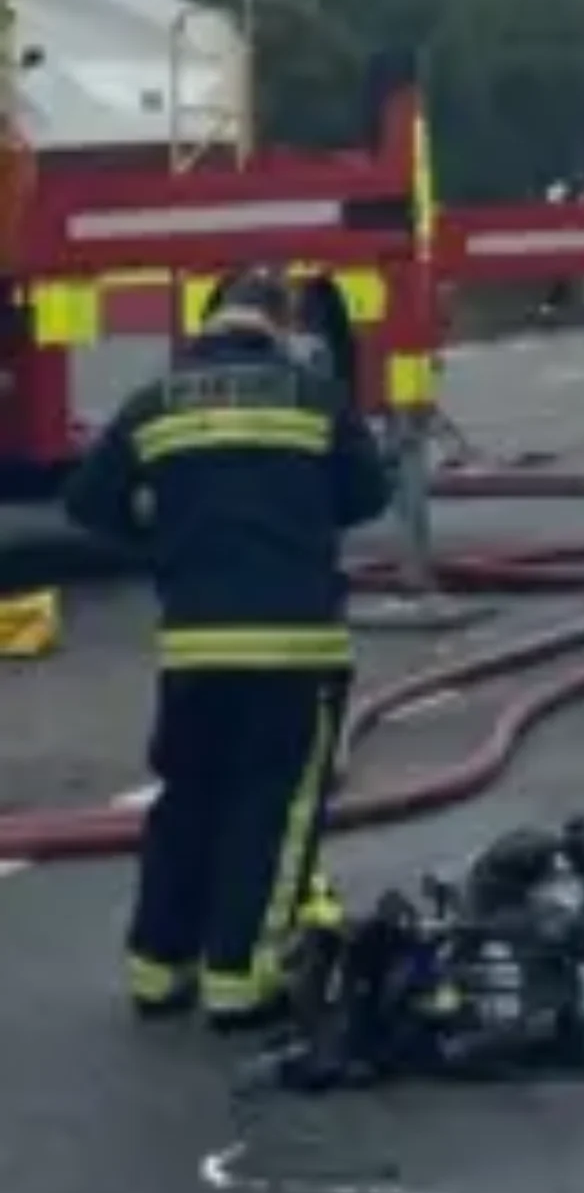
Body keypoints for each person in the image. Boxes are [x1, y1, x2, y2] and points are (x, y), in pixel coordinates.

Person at [61, 267, 394, 1030]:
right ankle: (242, 978)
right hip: (294, 650)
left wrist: (161, 538)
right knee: (272, 809)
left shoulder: (155, 403)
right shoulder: (315, 398)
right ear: (281, 323)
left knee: (187, 802)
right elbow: (367, 496)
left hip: (193, 649)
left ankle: (156, 968)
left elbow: (89, 501)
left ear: (209, 320)